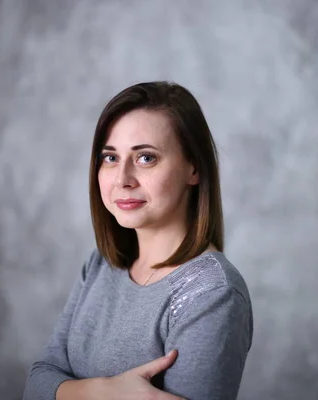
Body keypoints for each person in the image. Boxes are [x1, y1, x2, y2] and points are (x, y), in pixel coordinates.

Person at [23, 81, 253, 400]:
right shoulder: (101, 264)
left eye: (146, 158)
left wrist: (66, 392)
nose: (122, 179)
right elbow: (36, 384)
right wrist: (103, 393)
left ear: (194, 168)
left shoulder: (212, 294)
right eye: (110, 158)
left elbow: (49, 390)